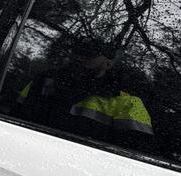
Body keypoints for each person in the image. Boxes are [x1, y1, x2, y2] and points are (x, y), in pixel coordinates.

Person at [16, 38, 156, 151]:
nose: (81, 58)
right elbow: (13, 120)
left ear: (109, 63)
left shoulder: (128, 103)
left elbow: (135, 160)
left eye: (91, 53)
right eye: (78, 52)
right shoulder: (42, 82)